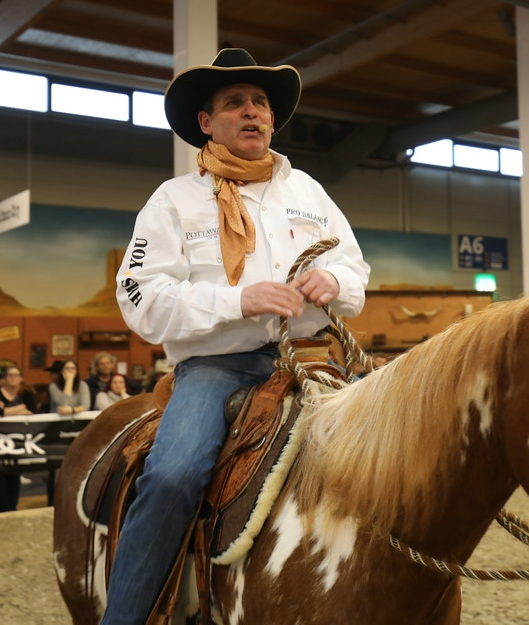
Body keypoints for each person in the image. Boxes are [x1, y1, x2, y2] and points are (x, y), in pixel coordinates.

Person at [102, 48, 369, 625]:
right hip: (218, 370)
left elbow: (356, 273)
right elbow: (139, 298)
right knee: (174, 477)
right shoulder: (174, 200)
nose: (252, 112)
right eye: (235, 103)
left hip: (312, 359)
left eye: (260, 102)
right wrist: (237, 300)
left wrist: (335, 279)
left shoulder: (311, 194)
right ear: (207, 122)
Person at [0, 366, 37, 512]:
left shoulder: (26, 393)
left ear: (21, 378)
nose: (12, 378)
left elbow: (31, 412)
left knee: (15, 472)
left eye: (15, 375)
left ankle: (12, 506)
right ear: (5, 378)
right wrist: (19, 409)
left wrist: (7, 411)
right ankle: (1, 508)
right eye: (9, 375)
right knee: (1, 474)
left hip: (19, 439)